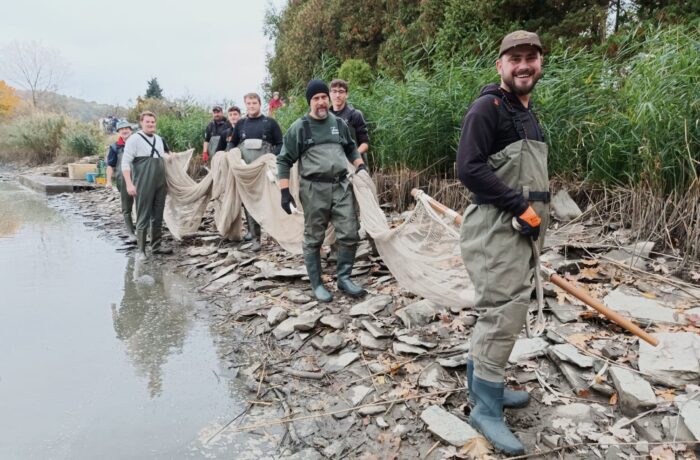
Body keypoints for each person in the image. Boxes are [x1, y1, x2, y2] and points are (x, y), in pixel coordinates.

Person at [456, 31, 548, 456]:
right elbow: (468, 169)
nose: (524, 65)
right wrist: (518, 206)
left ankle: (484, 381)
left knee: (501, 309)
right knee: (501, 312)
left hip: (520, 228)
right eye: (515, 59)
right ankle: (485, 408)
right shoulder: (487, 107)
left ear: (540, 63)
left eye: (531, 58)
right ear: (500, 65)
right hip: (497, 227)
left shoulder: (527, 113)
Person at [277, 79, 368, 302]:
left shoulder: (339, 124)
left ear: (328, 99)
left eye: (323, 97)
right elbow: (283, 160)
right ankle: (317, 284)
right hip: (313, 189)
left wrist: (360, 165)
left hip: (341, 186)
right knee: (313, 237)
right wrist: (285, 193)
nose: (321, 102)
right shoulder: (300, 127)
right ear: (310, 101)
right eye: (316, 98)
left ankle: (344, 278)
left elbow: (350, 147)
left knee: (349, 232)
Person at [229, 93, 284, 250]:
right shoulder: (240, 124)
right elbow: (232, 145)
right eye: (248, 103)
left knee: (272, 200)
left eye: (254, 103)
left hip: (265, 170)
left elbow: (281, 143)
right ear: (245, 105)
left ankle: (277, 235)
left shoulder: (270, 123)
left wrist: (271, 157)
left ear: (260, 104)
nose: (251, 106)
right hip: (247, 172)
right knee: (249, 203)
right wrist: (235, 158)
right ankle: (255, 239)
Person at [122, 111, 173, 258]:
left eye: (153, 122)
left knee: (158, 215)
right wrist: (129, 184)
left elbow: (163, 157)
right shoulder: (134, 139)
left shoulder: (158, 139)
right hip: (143, 182)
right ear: (141, 123)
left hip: (159, 182)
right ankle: (141, 250)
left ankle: (156, 246)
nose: (151, 124)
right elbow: (125, 163)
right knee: (143, 215)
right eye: (147, 122)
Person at [106, 121, 136, 242]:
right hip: (123, 180)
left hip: (140, 178)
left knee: (144, 205)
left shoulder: (137, 144)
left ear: (131, 130)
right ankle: (131, 233)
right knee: (126, 207)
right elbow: (110, 165)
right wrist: (108, 181)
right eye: (121, 129)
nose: (124, 131)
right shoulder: (114, 147)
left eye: (126, 128)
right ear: (118, 132)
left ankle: (145, 230)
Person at [329, 79, 370, 165]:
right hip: (333, 165)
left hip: (354, 165)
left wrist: (352, 156)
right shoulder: (326, 116)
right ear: (329, 94)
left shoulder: (355, 115)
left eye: (341, 92)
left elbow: (365, 144)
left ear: (346, 94)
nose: (337, 95)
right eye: (334, 91)